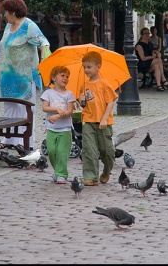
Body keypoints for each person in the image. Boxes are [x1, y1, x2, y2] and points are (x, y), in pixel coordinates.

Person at [0, 0, 50, 151]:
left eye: (6, 12)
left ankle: (26, 141)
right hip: (7, 76)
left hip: (25, 77)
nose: (4, 15)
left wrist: (43, 62)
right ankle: (9, 139)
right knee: (10, 108)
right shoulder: (8, 27)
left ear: (13, 12)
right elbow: (3, 49)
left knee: (26, 109)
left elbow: (44, 42)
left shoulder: (28, 26)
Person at [78, 51, 118, 186]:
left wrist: (105, 119)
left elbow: (111, 102)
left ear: (98, 66)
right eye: (84, 67)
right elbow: (83, 105)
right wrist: (81, 100)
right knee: (89, 150)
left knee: (107, 151)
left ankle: (106, 171)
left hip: (104, 123)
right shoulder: (84, 86)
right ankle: (91, 176)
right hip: (88, 121)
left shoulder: (104, 84)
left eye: (89, 67)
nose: (86, 70)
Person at [41, 65, 76, 184]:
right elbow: (45, 108)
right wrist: (56, 109)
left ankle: (62, 174)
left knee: (62, 152)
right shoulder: (48, 93)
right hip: (51, 128)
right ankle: (57, 171)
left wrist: (58, 115)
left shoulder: (69, 94)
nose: (65, 78)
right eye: (62, 75)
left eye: (67, 76)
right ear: (53, 78)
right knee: (51, 151)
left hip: (65, 129)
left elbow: (70, 110)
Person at [135, 27, 168, 92]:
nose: (147, 34)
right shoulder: (139, 45)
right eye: (145, 33)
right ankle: (163, 79)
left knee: (157, 65)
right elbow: (143, 58)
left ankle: (158, 85)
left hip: (149, 63)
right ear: (142, 35)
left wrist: (157, 54)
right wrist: (152, 57)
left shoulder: (150, 44)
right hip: (142, 64)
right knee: (158, 60)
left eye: (148, 33)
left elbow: (154, 52)